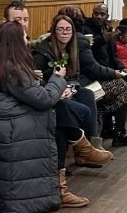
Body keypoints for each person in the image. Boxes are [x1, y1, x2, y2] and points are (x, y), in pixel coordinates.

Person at [0, 21, 87, 211]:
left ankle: (77, 153)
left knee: (58, 111)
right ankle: (65, 178)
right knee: (53, 115)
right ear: (16, 41)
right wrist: (58, 78)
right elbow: (43, 99)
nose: (28, 41)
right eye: (25, 37)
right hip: (3, 123)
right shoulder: (11, 66)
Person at [44, 7, 127, 148]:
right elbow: (91, 67)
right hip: (82, 81)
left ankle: (104, 132)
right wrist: (113, 73)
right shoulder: (79, 39)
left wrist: (118, 68)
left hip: (78, 80)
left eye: (102, 14)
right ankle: (116, 133)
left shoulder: (105, 30)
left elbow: (112, 56)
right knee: (121, 85)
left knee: (126, 82)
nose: (98, 17)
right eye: (61, 28)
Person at [30, 14, 113, 166]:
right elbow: (36, 81)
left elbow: (75, 76)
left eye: (68, 29)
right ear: (54, 31)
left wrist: (70, 87)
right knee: (79, 110)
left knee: (87, 94)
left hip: (65, 89)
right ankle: (82, 150)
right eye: (60, 29)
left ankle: (93, 144)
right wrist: (58, 89)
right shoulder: (42, 52)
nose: (65, 32)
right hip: (50, 93)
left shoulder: (72, 49)